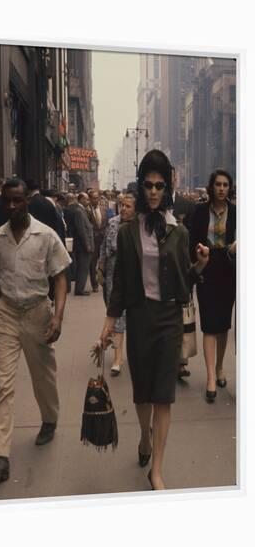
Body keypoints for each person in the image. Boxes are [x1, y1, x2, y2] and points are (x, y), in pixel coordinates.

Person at [100, 150, 209, 490]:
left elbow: (182, 282)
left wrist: (200, 267)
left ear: (167, 188)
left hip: (168, 319)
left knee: (163, 395)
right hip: (140, 317)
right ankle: (144, 438)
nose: (153, 192)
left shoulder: (179, 232)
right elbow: (119, 284)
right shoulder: (128, 231)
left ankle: (156, 469)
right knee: (142, 393)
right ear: (141, 185)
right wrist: (108, 323)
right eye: (148, 185)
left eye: (159, 186)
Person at [0, 179, 71, 483]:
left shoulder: (45, 236)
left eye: (17, 201)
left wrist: (57, 317)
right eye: (6, 201)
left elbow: (60, 278)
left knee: (43, 376)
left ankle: (49, 419)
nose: (11, 206)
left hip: (37, 313)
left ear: (26, 202)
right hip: (7, 313)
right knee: (3, 384)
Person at [190, 169, 236, 403]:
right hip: (206, 270)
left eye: (225, 185)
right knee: (209, 324)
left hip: (228, 273)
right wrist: (198, 254)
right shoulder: (199, 211)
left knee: (223, 325)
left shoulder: (237, 213)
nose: (221, 188)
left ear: (230, 188)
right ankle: (210, 377)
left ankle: (219, 367)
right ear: (211, 187)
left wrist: (234, 248)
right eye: (217, 184)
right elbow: (191, 240)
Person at [98, 193, 136, 376]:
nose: (124, 209)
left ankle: (133, 355)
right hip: (114, 275)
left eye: (128, 206)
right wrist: (100, 268)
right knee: (117, 316)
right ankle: (117, 357)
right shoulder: (113, 222)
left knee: (134, 318)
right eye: (122, 205)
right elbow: (104, 246)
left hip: (134, 277)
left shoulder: (139, 226)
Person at [171, 166, 196, 380]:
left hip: (183, 270)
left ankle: (181, 362)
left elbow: (195, 238)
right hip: (158, 274)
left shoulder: (187, 205)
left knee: (183, 318)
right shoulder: (152, 206)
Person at [87, 190, 108, 292]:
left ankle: (105, 281)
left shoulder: (104, 209)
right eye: (93, 198)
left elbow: (107, 223)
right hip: (93, 240)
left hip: (103, 239)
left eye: (97, 198)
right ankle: (94, 285)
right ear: (90, 199)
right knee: (93, 262)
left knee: (105, 261)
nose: (96, 200)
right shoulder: (87, 210)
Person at [73, 192, 94, 296]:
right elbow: (82, 230)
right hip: (83, 246)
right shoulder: (79, 211)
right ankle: (79, 289)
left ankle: (80, 288)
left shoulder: (83, 210)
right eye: (86, 199)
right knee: (83, 267)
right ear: (80, 199)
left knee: (84, 267)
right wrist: (87, 245)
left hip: (85, 245)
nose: (88, 201)